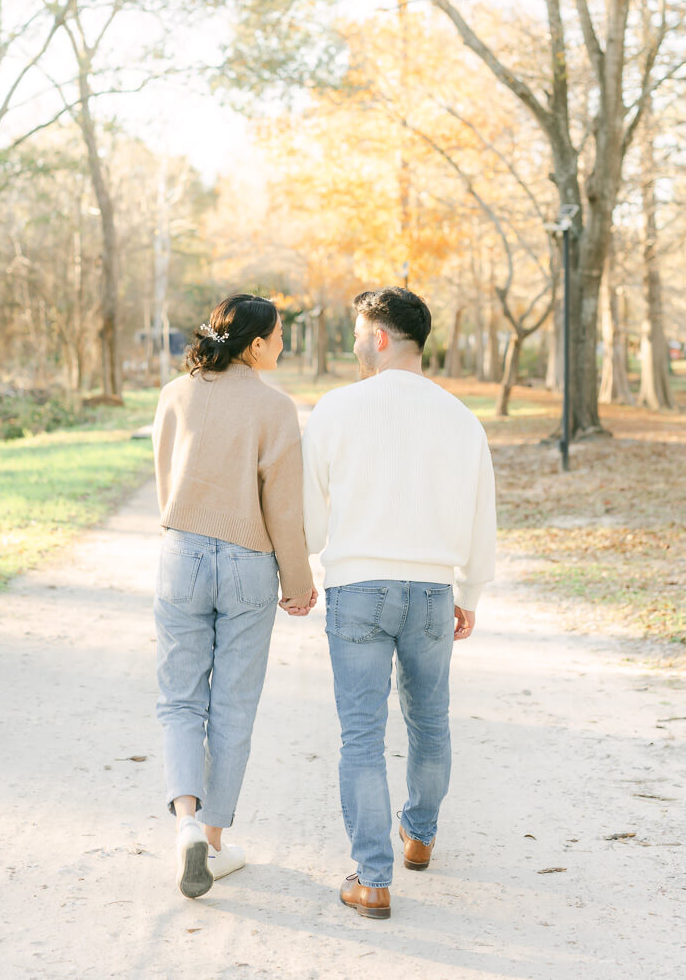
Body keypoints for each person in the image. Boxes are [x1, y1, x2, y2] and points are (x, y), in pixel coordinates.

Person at [302, 287, 496, 920]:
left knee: (361, 735)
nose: (356, 343)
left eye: (360, 331)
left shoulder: (337, 408)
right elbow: (480, 515)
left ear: (380, 336)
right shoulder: (461, 418)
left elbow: (310, 510)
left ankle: (372, 878)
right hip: (434, 590)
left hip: (358, 586)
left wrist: (303, 563)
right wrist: (468, 591)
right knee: (430, 722)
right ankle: (419, 835)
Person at [152, 294, 317, 900]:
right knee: (234, 705)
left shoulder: (176, 393)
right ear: (254, 345)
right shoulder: (276, 408)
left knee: (178, 700)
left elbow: (167, 478)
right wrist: (297, 584)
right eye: (278, 337)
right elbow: (284, 505)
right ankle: (215, 845)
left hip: (183, 552)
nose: (283, 346)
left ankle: (187, 824)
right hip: (249, 562)